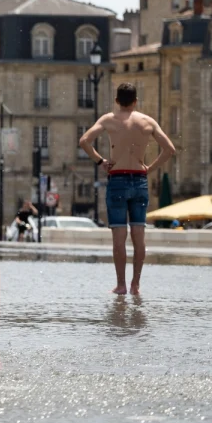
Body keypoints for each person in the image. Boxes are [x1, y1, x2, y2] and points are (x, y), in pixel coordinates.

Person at [80, 82, 176, 295]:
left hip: (117, 180)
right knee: (139, 236)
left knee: (119, 237)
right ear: (136, 101)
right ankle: (136, 285)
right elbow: (169, 149)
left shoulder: (109, 120)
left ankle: (121, 285)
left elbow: (84, 141)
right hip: (140, 181)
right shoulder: (147, 122)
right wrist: (150, 168)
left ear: (116, 101)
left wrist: (101, 161)